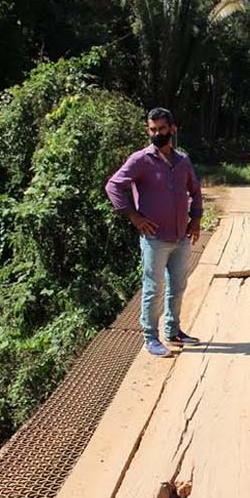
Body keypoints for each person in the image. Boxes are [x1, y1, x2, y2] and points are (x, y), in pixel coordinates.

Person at [105, 107, 203, 356]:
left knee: (178, 286)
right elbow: (113, 186)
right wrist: (134, 216)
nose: (157, 133)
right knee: (153, 288)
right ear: (148, 131)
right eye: (153, 129)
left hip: (180, 236)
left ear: (172, 129)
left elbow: (195, 190)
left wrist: (196, 219)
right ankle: (151, 337)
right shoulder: (140, 160)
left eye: (162, 128)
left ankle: (174, 331)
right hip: (155, 238)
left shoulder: (182, 161)